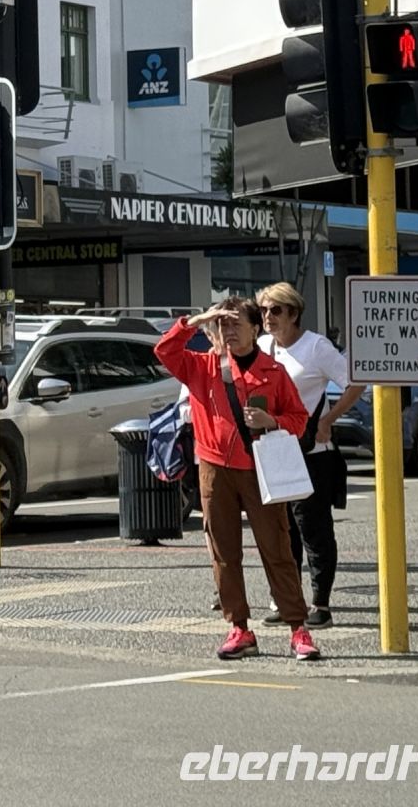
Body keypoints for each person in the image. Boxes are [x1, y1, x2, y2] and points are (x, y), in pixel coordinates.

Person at [156, 298, 320, 662]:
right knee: (223, 553)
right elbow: (164, 350)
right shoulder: (202, 366)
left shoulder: (273, 371)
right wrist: (196, 320)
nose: (227, 331)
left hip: (260, 468)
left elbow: (299, 418)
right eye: (222, 325)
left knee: (276, 548)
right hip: (214, 468)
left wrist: (271, 421)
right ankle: (240, 628)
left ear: (255, 329)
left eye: (235, 324)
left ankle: (298, 628)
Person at [256, 281, 363, 629]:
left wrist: (329, 420)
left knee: (313, 528)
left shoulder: (316, 347)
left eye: (275, 310)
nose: (268, 317)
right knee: (280, 530)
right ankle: (287, 599)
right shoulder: (262, 347)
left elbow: (355, 382)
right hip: (273, 450)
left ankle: (321, 603)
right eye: (264, 310)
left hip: (310, 451)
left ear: (293, 313)